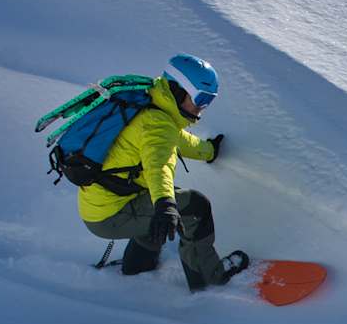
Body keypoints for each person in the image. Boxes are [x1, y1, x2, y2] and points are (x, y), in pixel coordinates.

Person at [79, 54, 249, 291]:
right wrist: (165, 204)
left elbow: (176, 139)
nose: (203, 106)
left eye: (209, 100)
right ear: (178, 90)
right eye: (200, 98)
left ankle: (137, 267)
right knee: (195, 206)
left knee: (157, 209)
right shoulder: (158, 125)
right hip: (111, 215)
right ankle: (209, 279)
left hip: (99, 205)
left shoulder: (152, 103)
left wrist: (208, 150)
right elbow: (159, 166)